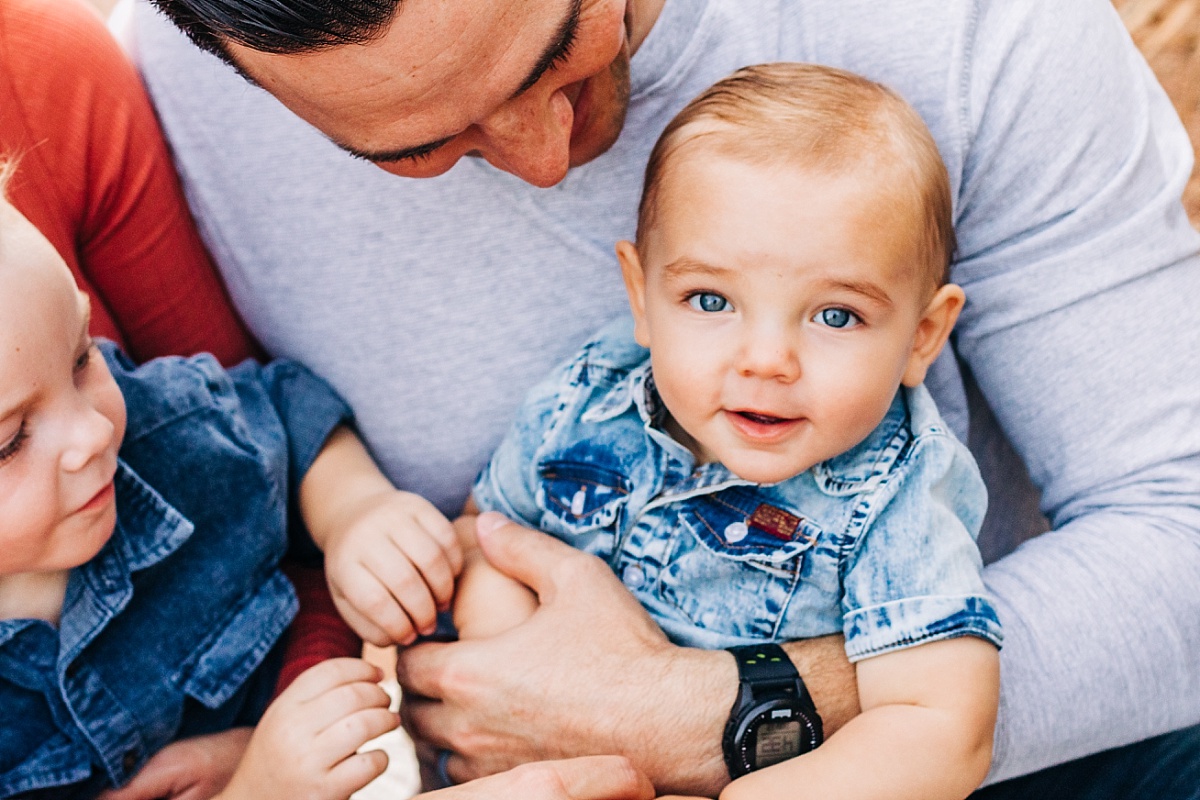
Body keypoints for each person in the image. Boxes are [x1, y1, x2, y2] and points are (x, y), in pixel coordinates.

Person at [124, 0, 1200, 796]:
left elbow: (1182, 534)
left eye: (562, 43)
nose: (548, 163)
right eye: (418, 148)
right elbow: (248, 479)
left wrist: (714, 715)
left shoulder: (968, 26)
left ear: (924, 330)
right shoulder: (164, 95)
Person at [448, 63, 1002, 800]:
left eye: (836, 315)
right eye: (710, 299)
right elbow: (490, 540)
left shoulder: (896, 494)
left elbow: (939, 727)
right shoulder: (585, 403)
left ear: (922, 337)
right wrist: (510, 671)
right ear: (642, 296)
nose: (766, 360)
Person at [0, 167, 440, 798]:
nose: (92, 432)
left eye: (80, 357)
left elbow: (286, 411)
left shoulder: (167, 436)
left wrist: (354, 509)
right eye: (9, 440)